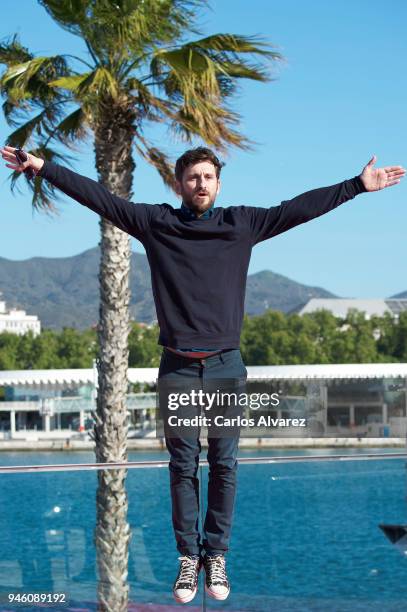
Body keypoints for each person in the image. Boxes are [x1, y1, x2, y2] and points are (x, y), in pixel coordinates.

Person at [1, 144, 405, 604]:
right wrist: (43, 167)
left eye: (208, 177)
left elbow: (298, 209)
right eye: (193, 177)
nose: (201, 184)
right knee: (182, 466)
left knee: (225, 464)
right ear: (179, 184)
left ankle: (217, 555)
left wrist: (356, 186)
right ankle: (187, 560)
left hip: (225, 366)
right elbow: (100, 198)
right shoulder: (157, 224)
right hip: (176, 366)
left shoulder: (242, 224)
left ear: (218, 183)